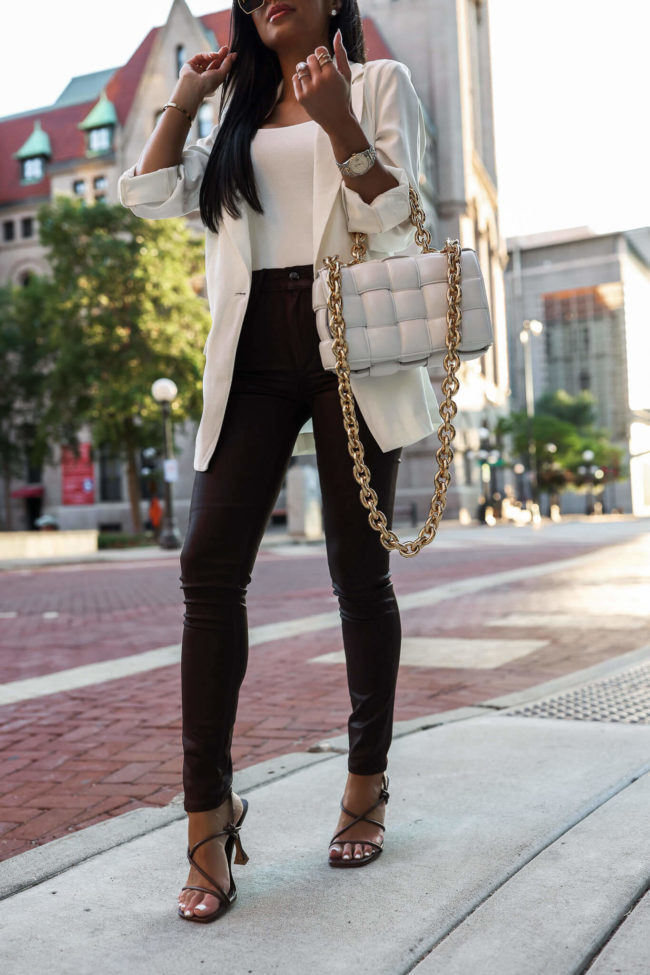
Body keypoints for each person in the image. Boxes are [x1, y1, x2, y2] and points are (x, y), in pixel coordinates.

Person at [118, 0, 433, 924]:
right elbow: (146, 195)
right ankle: (208, 818)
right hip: (251, 350)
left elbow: (403, 212)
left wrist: (339, 121)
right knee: (207, 568)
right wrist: (183, 101)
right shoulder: (234, 117)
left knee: (355, 569)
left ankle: (366, 783)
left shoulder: (378, 84)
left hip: (351, 340)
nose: (263, 1)